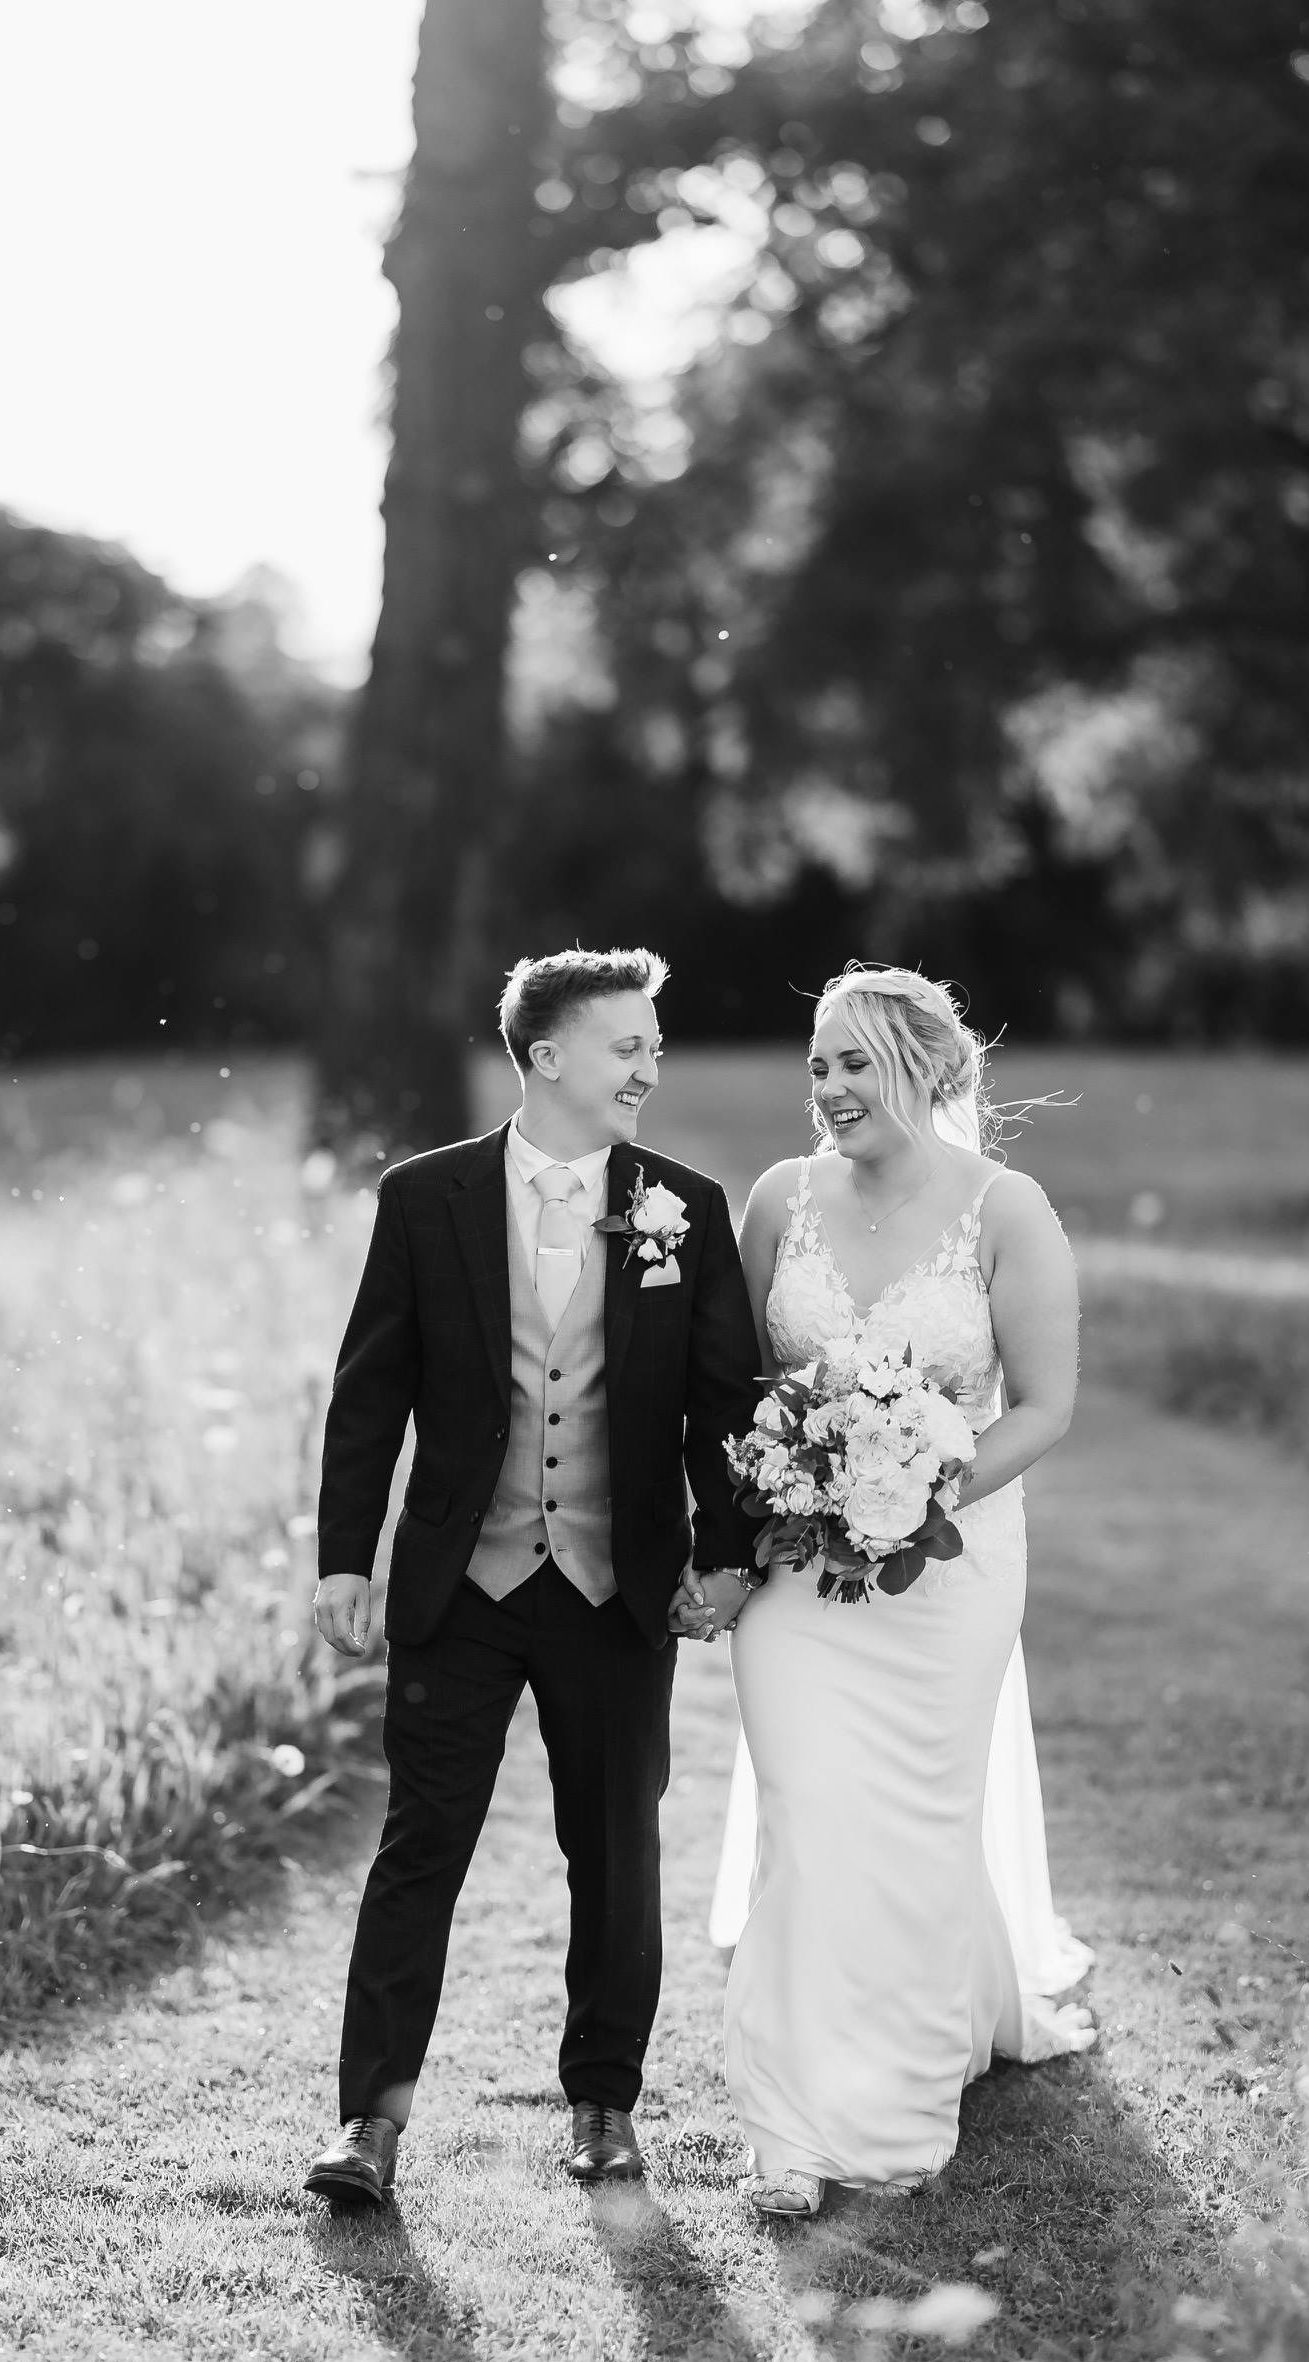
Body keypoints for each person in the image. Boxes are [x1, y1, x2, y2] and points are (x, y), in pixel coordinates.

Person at [304, 947, 763, 2208]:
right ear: (547, 1057)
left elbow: (721, 1411)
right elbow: (369, 1393)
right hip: (462, 1585)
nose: (650, 1068)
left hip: (615, 1592)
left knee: (615, 1854)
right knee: (421, 1849)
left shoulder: (686, 1207)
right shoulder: (427, 1197)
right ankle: (370, 2124)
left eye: (654, 1047)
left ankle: (605, 2108)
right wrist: (347, 1557)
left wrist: (725, 1559)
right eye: (630, 1046)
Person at [721, 964, 1095, 2217]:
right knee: (808, 1815)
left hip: (952, 1566)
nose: (828, 1089)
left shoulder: (1007, 1208)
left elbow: (1044, 1406)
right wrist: (788, 1500)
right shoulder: (780, 1200)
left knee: (918, 1821)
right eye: (817, 1064)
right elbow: (729, 1388)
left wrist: (914, 1499)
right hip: (798, 1576)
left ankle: (896, 2100)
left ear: (927, 1072)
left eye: (854, 1063)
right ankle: (785, 2122)